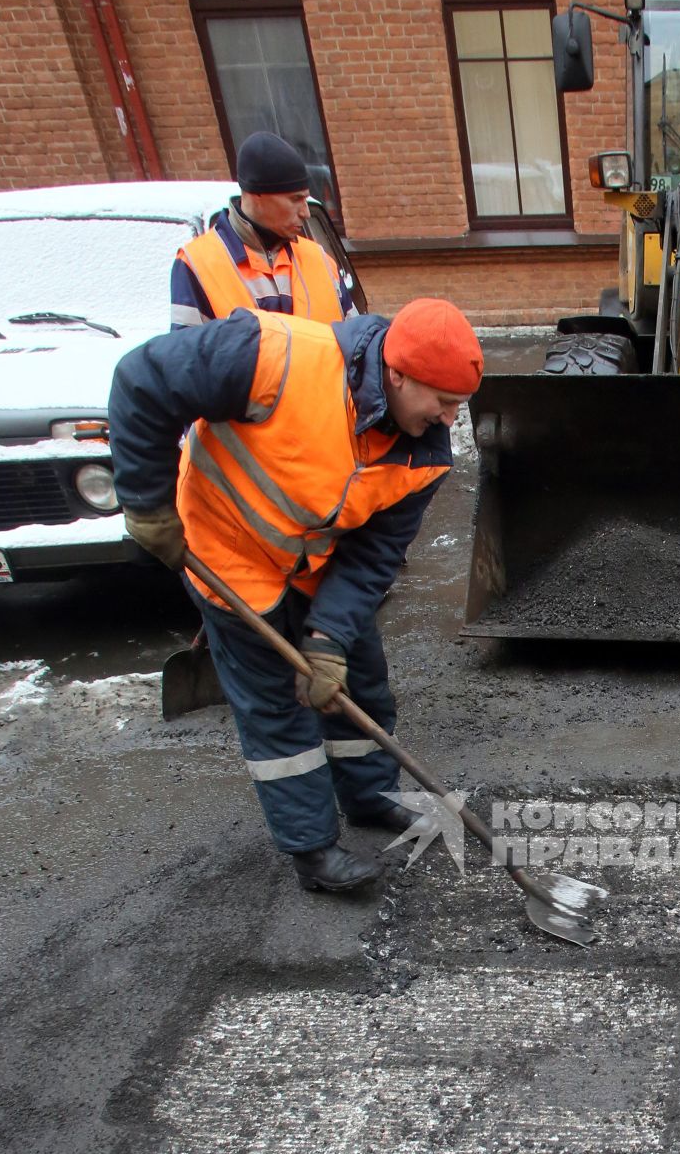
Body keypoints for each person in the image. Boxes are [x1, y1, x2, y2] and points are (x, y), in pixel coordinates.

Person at [109, 298, 483, 895]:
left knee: (356, 678)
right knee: (277, 707)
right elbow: (141, 379)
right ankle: (313, 850)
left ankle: (370, 797)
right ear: (398, 372)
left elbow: (373, 557)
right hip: (225, 552)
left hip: (315, 562)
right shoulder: (272, 355)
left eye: (457, 407)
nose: (446, 419)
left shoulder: (424, 455)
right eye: (441, 402)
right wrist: (146, 503)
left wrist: (327, 638)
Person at [171, 131, 355, 329]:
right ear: (256, 194)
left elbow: (356, 344)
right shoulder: (197, 265)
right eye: (295, 199)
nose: (305, 213)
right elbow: (187, 356)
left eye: (305, 199)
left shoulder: (319, 260)